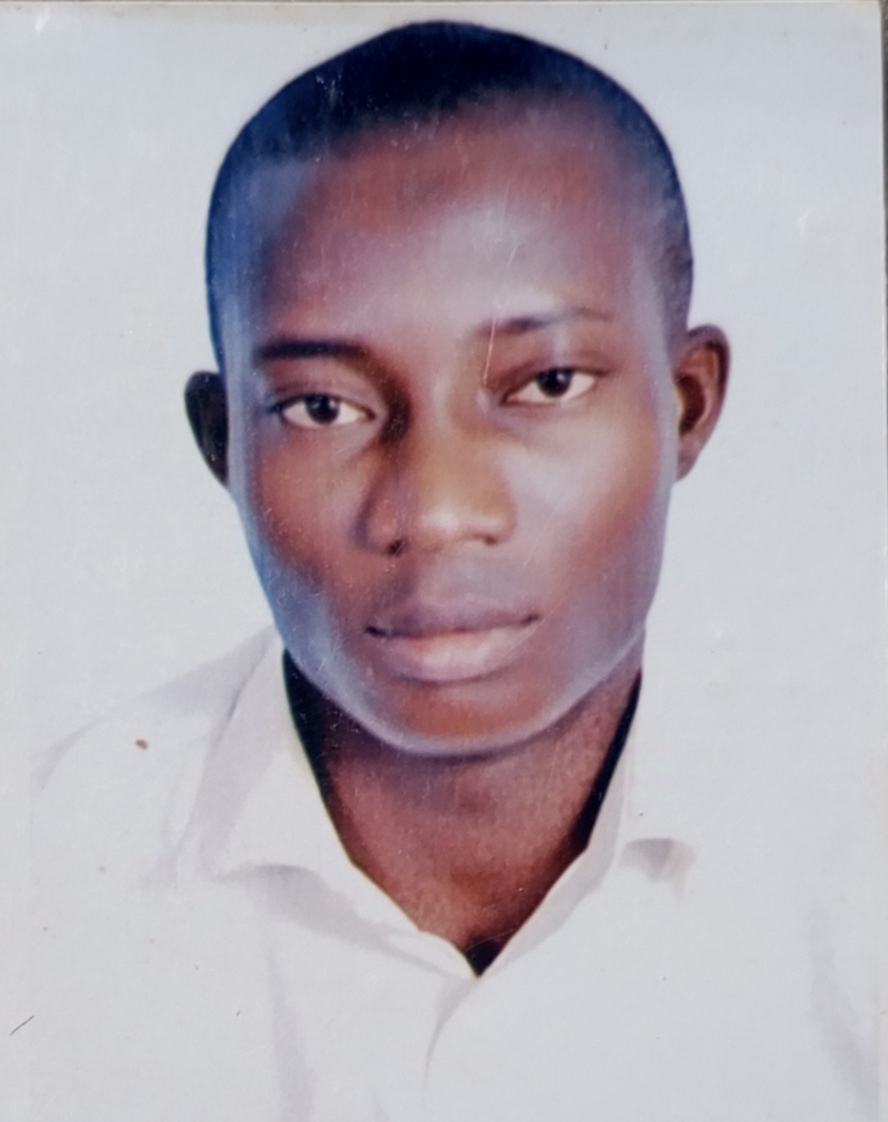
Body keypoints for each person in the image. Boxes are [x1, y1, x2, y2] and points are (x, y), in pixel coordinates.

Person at [33, 20, 874, 1121]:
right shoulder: (39, 889)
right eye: (322, 407)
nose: (435, 510)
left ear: (686, 406)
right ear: (223, 443)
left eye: (547, 384)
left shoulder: (855, 897)